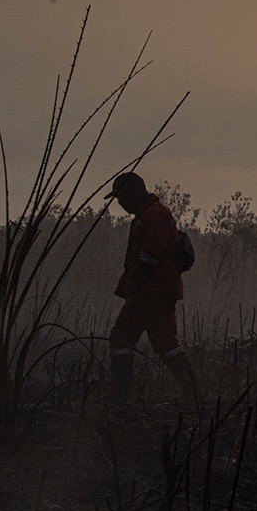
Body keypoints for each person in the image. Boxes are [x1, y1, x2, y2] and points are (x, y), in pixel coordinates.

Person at [105, 171, 201, 412]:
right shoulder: (149, 214)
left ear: (133, 193)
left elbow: (150, 255)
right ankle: (194, 396)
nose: (120, 203)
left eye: (121, 197)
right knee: (166, 345)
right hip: (155, 292)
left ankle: (118, 399)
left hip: (150, 293)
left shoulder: (154, 215)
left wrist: (132, 283)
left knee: (122, 340)